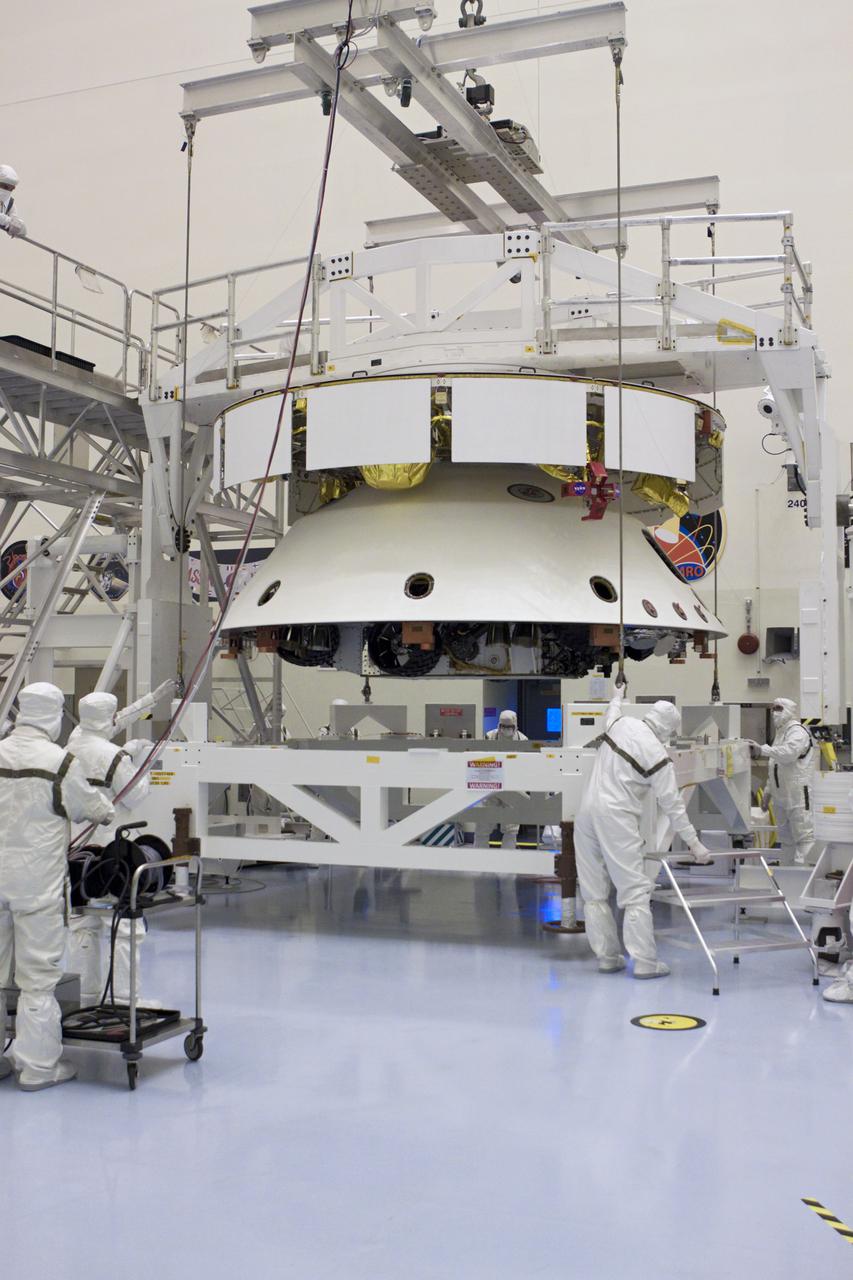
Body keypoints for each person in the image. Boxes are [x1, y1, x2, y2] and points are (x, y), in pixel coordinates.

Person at [0, 683, 114, 1090]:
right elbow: (92, 808)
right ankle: (39, 1068)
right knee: (37, 980)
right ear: (53, 715)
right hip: (37, 888)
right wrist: (105, 806)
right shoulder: (60, 762)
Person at [574, 684, 710, 979]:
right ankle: (646, 962)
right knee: (634, 891)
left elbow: (611, 713)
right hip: (616, 817)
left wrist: (618, 695)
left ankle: (607, 958)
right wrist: (694, 843)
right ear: (668, 729)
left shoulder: (621, 724)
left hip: (585, 813)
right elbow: (672, 805)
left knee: (593, 892)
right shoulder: (657, 752)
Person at [65, 692, 153, 1006]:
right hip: (113, 854)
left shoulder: (69, 748)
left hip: (76, 851)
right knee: (125, 926)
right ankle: (125, 1002)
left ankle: (85, 998)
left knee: (82, 923)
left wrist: (147, 702)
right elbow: (135, 794)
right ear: (107, 717)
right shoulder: (114, 757)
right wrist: (141, 763)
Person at [747, 699, 816, 866]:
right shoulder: (781, 733)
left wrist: (762, 749)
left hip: (798, 794)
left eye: (779, 708)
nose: (774, 713)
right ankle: (787, 874)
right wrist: (768, 792)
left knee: (803, 837)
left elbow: (788, 754)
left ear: (789, 711)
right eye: (773, 709)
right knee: (786, 839)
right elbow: (775, 765)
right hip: (781, 795)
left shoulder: (797, 731)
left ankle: (805, 875)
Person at [481, 710, 528, 848]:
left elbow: (526, 765)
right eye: (503, 726)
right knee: (483, 825)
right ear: (499, 725)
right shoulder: (490, 736)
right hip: (492, 785)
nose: (506, 730)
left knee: (511, 829)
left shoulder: (523, 740)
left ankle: (507, 859)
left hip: (514, 786)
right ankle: (478, 857)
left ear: (515, 726)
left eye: (509, 727)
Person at [0, 164, 26, 239]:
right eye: (5, 186)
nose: (7, 191)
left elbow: (22, 230)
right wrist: (7, 221)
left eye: (11, 189)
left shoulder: (9, 203)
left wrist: (18, 226)